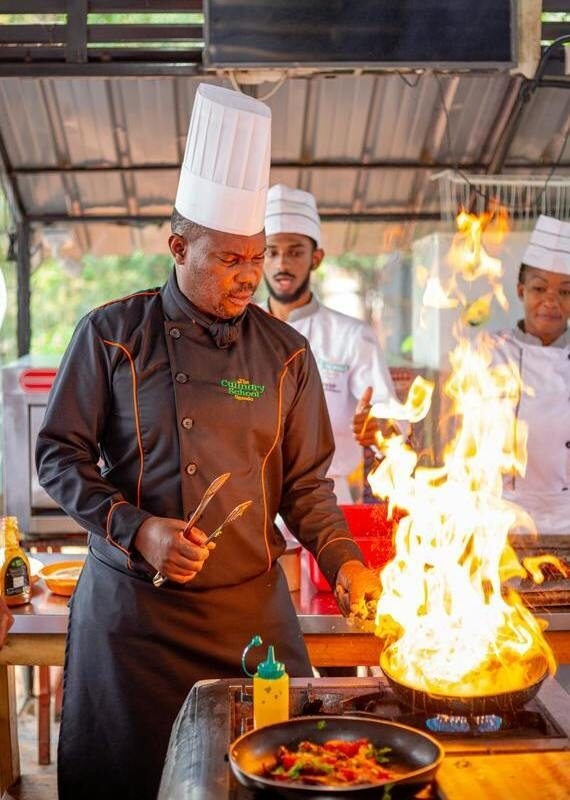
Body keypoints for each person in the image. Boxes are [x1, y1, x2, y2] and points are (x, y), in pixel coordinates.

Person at [35, 84, 380, 800]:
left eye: (256, 260)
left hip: (250, 620)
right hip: (132, 624)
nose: (250, 276)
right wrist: (139, 531)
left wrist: (345, 561)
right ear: (178, 246)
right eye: (229, 260)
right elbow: (57, 458)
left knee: (275, 777)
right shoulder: (110, 336)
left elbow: (307, 488)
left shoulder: (286, 353)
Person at [262, 184, 400, 503]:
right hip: (253, 503)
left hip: (328, 501)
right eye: (272, 251)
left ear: (317, 258)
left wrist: (381, 427)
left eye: (295, 251)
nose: (282, 264)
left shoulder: (351, 335)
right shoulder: (239, 330)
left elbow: (389, 416)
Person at [487, 214, 570, 536]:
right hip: (504, 513)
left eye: (565, 292)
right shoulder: (488, 352)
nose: (551, 301)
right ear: (521, 290)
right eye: (539, 288)